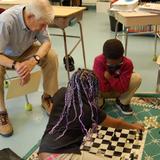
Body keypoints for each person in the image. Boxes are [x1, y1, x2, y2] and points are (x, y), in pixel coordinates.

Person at [38, 69, 144, 160]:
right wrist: (134, 127)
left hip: (43, 151)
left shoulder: (61, 92)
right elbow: (117, 123)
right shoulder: (90, 110)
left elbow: (51, 108)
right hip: (61, 156)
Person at [0, 0, 58, 137]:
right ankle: (2, 113)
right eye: (42, 24)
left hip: (24, 51)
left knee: (51, 56)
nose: (44, 28)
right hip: (4, 56)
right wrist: (16, 65)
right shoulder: (6, 21)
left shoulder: (39, 16)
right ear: (30, 17)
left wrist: (34, 60)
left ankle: (47, 98)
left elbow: (46, 42)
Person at [93, 39, 141, 115]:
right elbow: (103, 88)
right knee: (89, 79)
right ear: (104, 56)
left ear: (122, 56)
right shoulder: (98, 61)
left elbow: (123, 88)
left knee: (137, 78)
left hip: (118, 91)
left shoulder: (127, 63)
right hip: (103, 92)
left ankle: (122, 101)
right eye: (111, 63)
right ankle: (100, 102)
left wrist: (110, 78)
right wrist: (117, 82)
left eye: (118, 62)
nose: (114, 65)